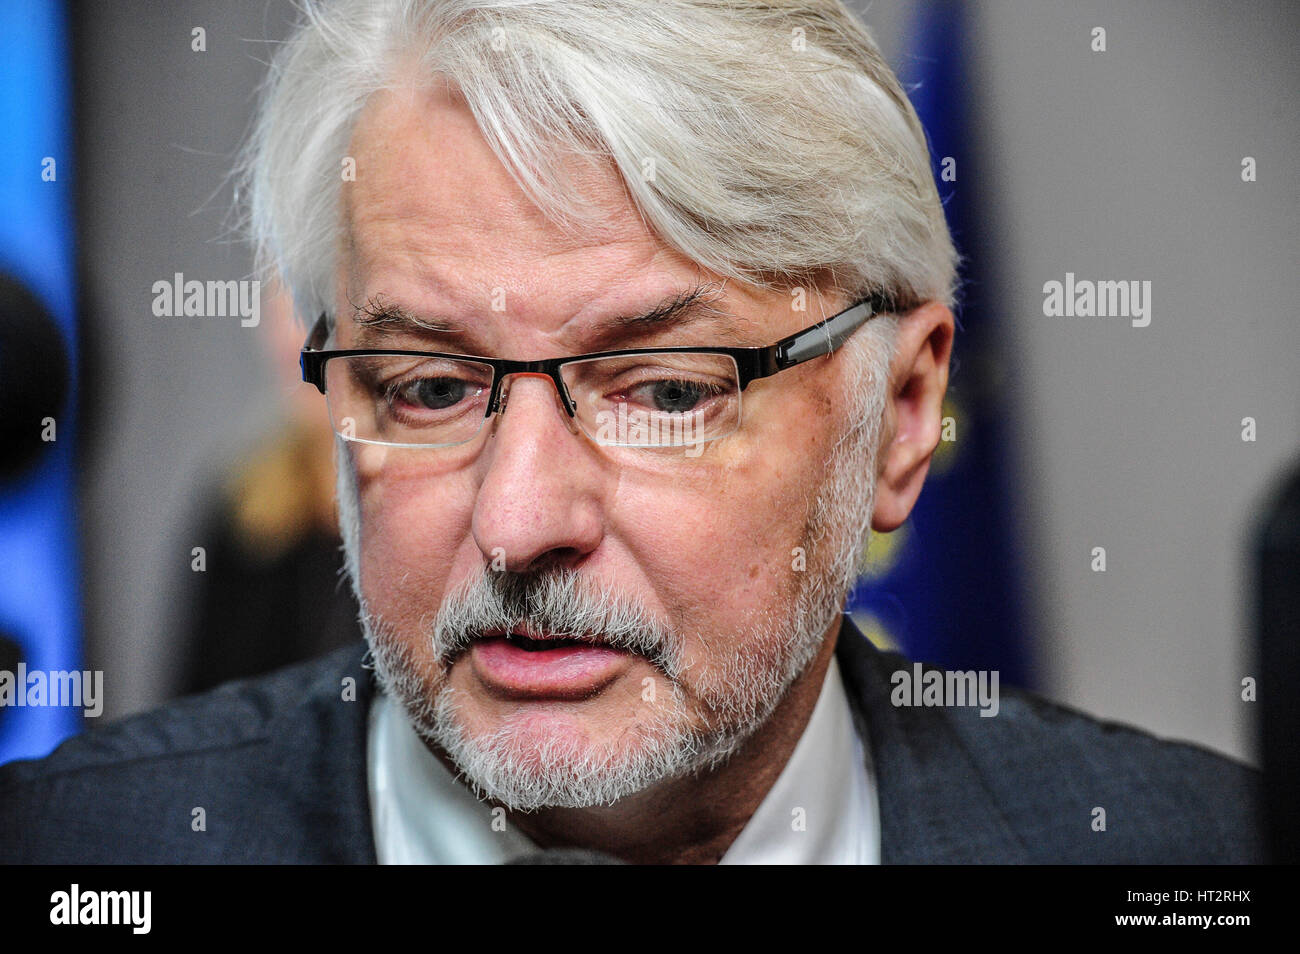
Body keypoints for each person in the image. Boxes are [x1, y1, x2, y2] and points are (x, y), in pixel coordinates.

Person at [0, 0, 1259, 864]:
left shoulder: (1194, 851)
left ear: (902, 416)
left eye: (663, 391)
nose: (518, 522)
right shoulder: (75, 850)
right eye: (431, 387)